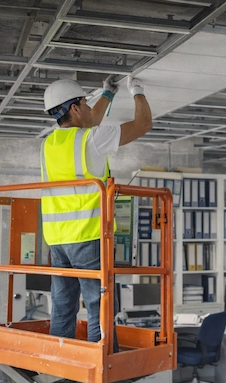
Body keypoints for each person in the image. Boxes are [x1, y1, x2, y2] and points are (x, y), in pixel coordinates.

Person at [41, 76, 153, 347]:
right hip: (88, 236)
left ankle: (62, 360)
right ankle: (101, 362)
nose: (91, 108)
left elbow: (90, 122)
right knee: (98, 305)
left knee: (63, 304)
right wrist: (138, 92)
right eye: (85, 103)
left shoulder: (49, 144)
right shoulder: (92, 139)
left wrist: (108, 94)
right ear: (75, 109)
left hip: (57, 240)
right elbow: (142, 125)